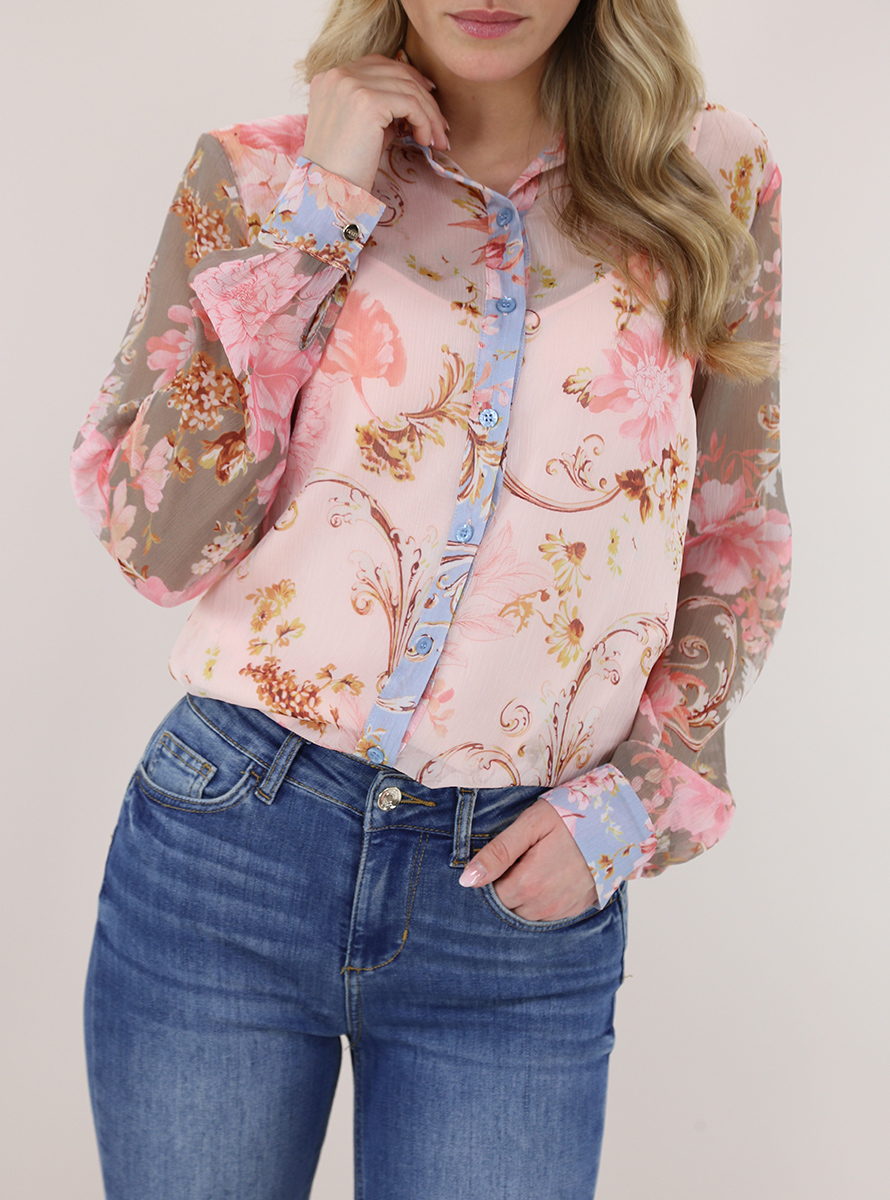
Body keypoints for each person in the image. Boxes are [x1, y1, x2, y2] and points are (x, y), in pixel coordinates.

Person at [70, 2, 790, 1197]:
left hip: (514, 905)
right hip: (229, 849)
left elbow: (733, 533)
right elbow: (156, 545)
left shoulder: (712, 174)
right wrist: (318, 215)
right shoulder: (254, 175)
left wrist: (637, 802)